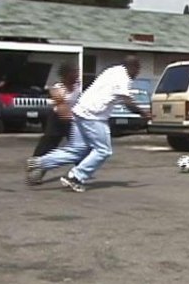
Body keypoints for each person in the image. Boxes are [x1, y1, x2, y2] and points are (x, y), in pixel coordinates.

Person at [26, 56, 149, 192]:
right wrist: (144, 113)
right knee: (103, 150)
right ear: (133, 67)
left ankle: (39, 162)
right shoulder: (123, 78)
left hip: (79, 112)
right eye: (137, 70)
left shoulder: (112, 70)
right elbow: (127, 102)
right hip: (93, 116)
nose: (137, 74)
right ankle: (77, 177)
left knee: (77, 150)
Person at [28, 63, 81, 183]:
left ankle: (80, 173)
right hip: (57, 118)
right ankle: (36, 171)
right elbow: (62, 110)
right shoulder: (57, 89)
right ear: (66, 75)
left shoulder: (79, 87)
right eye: (74, 72)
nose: (77, 75)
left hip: (72, 118)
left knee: (80, 146)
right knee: (48, 144)